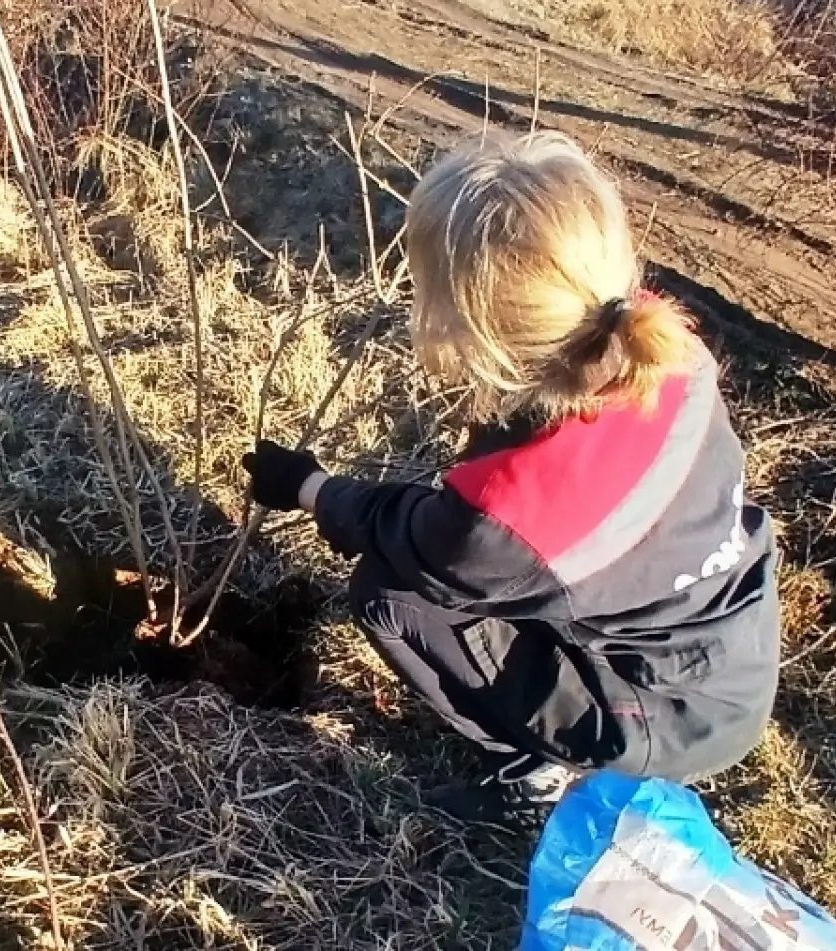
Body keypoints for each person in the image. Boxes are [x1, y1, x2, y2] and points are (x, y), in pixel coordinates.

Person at [243, 131, 781, 822]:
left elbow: (410, 538)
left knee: (389, 595)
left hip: (663, 720)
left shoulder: (504, 521)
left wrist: (308, 487)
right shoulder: (671, 351)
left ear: (476, 330)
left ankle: (534, 774)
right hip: (739, 657)